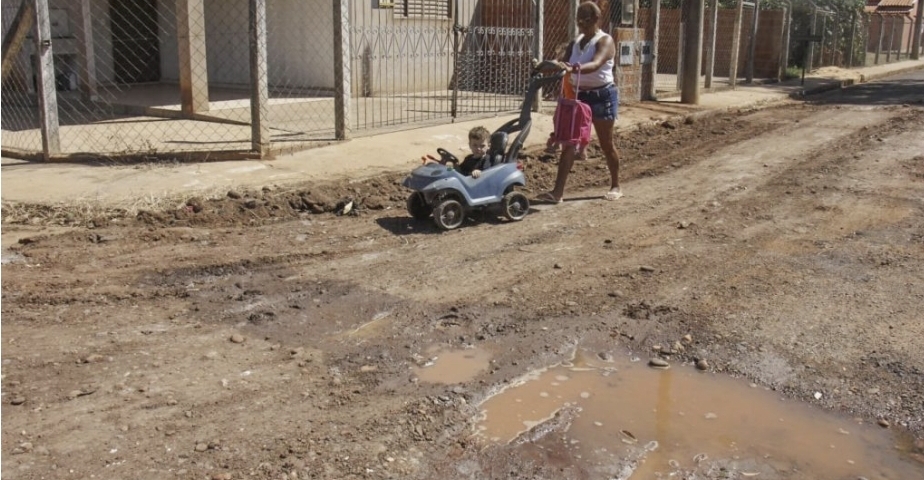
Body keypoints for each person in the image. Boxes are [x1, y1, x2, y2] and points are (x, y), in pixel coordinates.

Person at [537, 1, 622, 204]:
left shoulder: (605, 41)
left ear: (596, 20)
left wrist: (573, 68)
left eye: (586, 21)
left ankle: (616, 185)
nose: (581, 25)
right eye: (579, 21)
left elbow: (595, 64)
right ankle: (557, 193)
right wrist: (545, 66)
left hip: (602, 96)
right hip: (579, 97)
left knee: (606, 143)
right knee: (568, 143)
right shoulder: (577, 42)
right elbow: (563, 63)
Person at [422, 126, 495, 178]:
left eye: (482, 146)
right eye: (475, 145)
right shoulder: (469, 158)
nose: (478, 148)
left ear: (488, 146)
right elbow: (459, 169)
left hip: (473, 185)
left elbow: (486, 173)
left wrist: (479, 172)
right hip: (462, 180)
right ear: (470, 145)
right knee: (446, 169)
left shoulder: (486, 159)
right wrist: (448, 168)